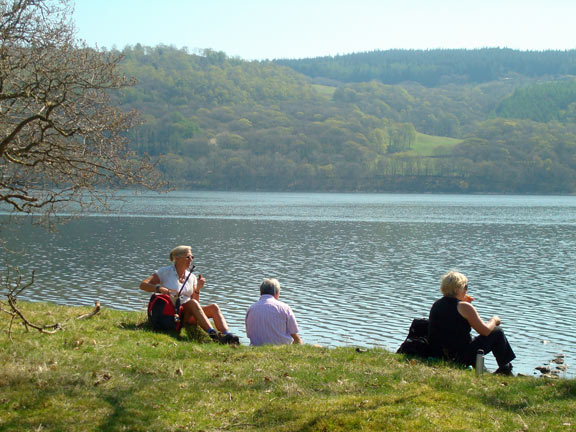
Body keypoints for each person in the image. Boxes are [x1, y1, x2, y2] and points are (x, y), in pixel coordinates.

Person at [140, 245, 239, 344]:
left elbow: (196, 303)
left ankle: (228, 335)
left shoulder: (191, 277)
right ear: (177, 258)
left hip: (187, 313)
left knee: (214, 307)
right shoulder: (165, 272)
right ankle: (214, 335)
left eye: (192, 257)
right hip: (172, 314)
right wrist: (159, 288)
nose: (191, 259)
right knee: (192, 303)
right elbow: (143, 285)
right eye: (188, 257)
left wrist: (197, 289)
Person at [428, 271, 516, 375]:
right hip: (458, 357)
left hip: (438, 354)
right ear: (457, 289)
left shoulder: (437, 304)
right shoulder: (464, 307)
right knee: (497, 332)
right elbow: (485, 331)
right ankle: (505, 369)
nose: (466, 290)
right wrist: (494, 320)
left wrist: (463, 302)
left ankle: (488, 368)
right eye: (465, 287)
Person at [245, 278, 302, 346]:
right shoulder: (285, 308)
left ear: (260, 292)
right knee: (298, 340)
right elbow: (294, 331)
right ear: (277, 293)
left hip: (256, 348)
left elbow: (249, 335)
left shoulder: (251, 309)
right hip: (282, 349)